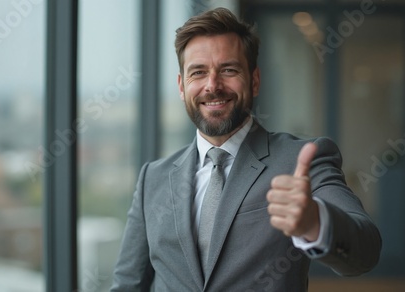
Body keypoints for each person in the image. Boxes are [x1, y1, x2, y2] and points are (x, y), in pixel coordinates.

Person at [111, 7, 381, 291]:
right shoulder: (153, 178)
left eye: (228, 70)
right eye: (198, 72)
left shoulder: (303, 158)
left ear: (254, 80)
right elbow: (128, 283)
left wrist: (316, 222)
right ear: (181, 86)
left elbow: (366, 251)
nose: (212, 86)